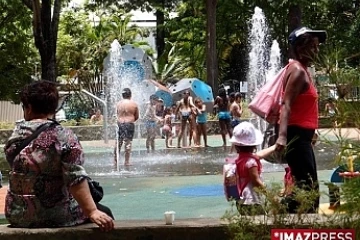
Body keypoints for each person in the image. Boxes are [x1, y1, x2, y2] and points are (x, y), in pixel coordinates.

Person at [3, 80, 114, 230]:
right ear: (53, 107)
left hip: (17, 214)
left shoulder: (15, 135)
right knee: (105, 213)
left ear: (28, 108)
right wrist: (92, 211)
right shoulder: (63, 136)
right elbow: (75, 178)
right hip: (55, 214)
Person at [275, 26, 327, 213]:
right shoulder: (297, 71)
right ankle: (291, 223)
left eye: (317, 46)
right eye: (313, 46)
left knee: (306, 189)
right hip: (295, 138)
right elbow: (286, 104)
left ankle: (283, 215)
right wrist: (281, 137)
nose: (317, 50)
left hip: (302, 138)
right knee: (308, 192)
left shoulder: (302, 70)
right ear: (300, 47)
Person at [229, 121, 276, 215]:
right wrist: (271, 197)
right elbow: (256, 181)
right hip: (252, 201)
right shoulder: (251, 162)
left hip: (241, 200)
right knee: (259, 223)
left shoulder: (239, 160)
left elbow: (259, 155)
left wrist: (275, 147)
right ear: (254, 145)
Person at [114, 88, 139, 167]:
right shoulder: (134, 104)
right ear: (130, 95)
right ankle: (126, 161)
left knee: (118, 142)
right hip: (129, 123)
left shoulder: (118, 104)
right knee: (128, 142)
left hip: (120, 123)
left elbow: (117, 114)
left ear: (122, 95)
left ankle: (115, 161)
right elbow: (137, 116)